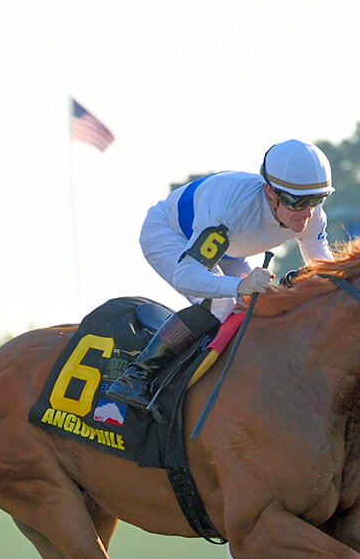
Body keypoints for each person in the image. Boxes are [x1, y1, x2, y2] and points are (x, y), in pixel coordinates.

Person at [103, 138, 336, 413]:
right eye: (297, 202)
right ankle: (136, 377)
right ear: (270, 192)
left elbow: (324, 271)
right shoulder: (233, 209)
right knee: (222, 302)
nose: (307, 213)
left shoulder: (311, 216)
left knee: (260, 305)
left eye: (317, 200)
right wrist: (240, 285)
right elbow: (187, 275)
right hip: (170, 234)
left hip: (228, 251)